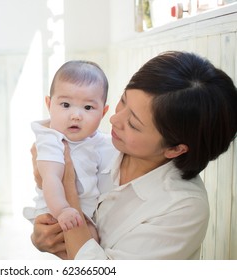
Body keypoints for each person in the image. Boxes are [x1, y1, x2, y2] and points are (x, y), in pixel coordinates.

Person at [29, 51, 237, 260]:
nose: (114, 119)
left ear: (175, 148)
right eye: (123, 101)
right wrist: (44, 235)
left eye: (133, 124)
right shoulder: (101, 148)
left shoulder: (182, 208)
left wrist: (68, 186)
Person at [23, 60, 109, 239]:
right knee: (90, 240)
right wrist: (62, 210)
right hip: (55, 211)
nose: (76, 115)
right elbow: (51, 177)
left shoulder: (98, 139)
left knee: (95, 243)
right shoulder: (51, 140)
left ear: (103, 112)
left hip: (85, 210)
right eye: (65, 105)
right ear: (49, 104)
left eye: (88, 107)